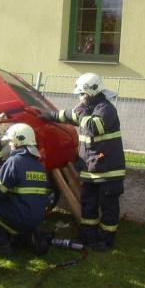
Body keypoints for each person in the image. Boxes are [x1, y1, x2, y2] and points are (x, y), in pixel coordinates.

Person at [37, 72, 125, 252]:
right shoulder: (88, 108)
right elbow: (69, 115)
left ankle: (106, 240)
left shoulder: (106, 109)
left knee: (108, 207)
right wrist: (49, 115)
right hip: (91, 169)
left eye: (81, 94)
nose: (79, 97)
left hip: (108, 172)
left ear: (90, 92)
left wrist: (81, 113)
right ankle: (88, 235)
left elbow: (94, 127)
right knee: (89, 205)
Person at [0, 123, 51, 255]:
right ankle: (23, 238)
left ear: (18, 141)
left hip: (18, 217)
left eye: (10, 141)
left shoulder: (15, 161)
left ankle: (1, 244)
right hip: (36, 220)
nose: (9, 145)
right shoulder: (39, 166)